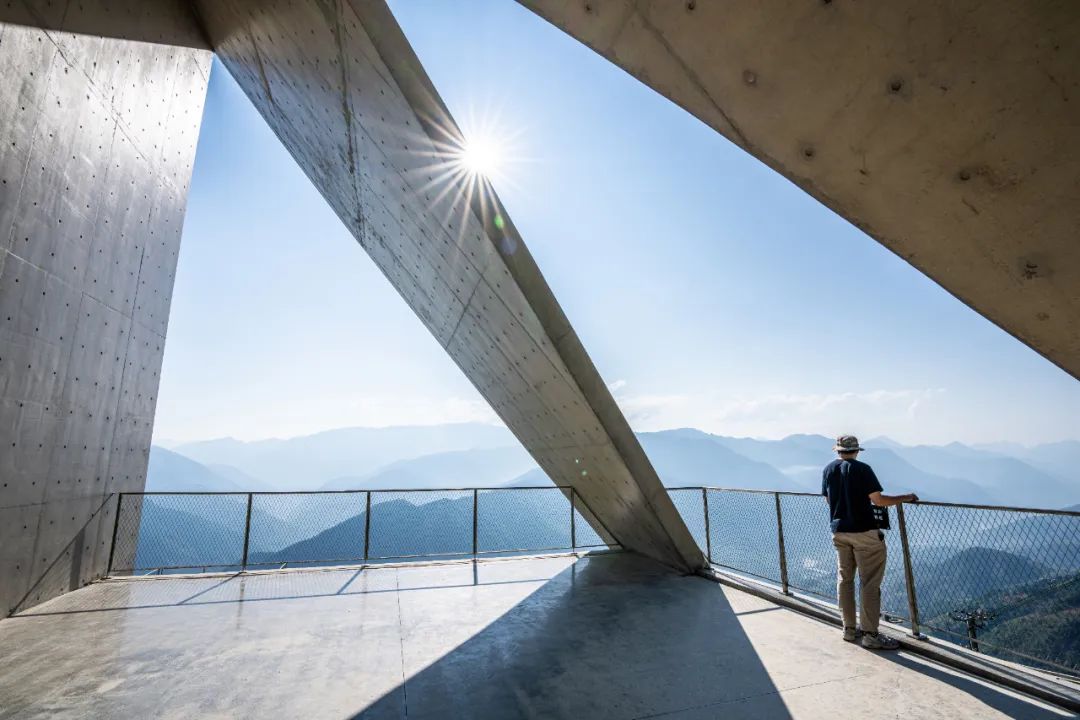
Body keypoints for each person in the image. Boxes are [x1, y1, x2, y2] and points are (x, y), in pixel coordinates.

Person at [822, 435, 918, 650]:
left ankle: (849, 629)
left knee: (845, 580)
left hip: (839, 532)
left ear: (838, 450)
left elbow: (828, 499)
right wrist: (906, 497)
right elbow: (879, 500)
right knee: (870, 583)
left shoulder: (828, 469)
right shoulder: (863, 469)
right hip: (864, 532)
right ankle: (870, 635)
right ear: (857, 451)